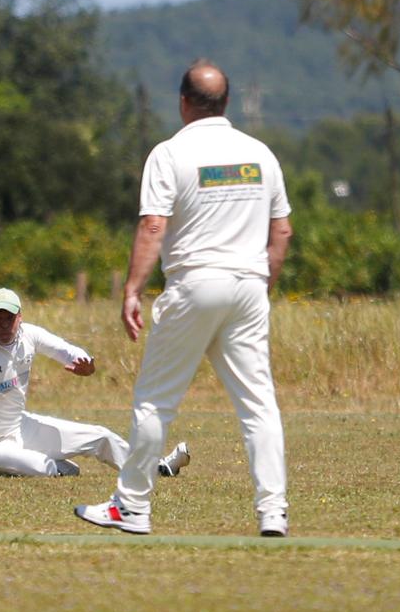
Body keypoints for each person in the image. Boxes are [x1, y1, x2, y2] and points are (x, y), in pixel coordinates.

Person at [75, 60, 294, 538]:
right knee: (259, 406)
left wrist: (132, 288)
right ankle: (272, 512)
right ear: (227, 103)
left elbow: (154, 225)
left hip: (196, 284)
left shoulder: (170, 153)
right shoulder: (260, 154)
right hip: (249, 286)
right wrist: (262, 285)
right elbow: (282, 230)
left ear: (182, 102)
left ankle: (132, 507)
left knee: (155, 403)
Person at [0, 287, 188, 481]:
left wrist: (86, 363)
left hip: (20, 427)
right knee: (46, 469)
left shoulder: (29, 335)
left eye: (10, 317)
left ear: (20, 317)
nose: (4, 325)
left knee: (101, 436)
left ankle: (157, 468)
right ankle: (58, 468)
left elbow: (66, 351)